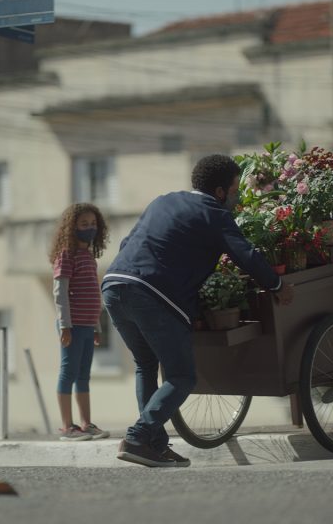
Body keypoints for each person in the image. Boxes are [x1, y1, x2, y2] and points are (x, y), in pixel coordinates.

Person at [102, 154, 295, 468]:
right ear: (220, 192)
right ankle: (138, 436)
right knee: (181, 376)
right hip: (152, 292)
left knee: (146, 365)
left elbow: (129, 242)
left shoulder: (163, 201)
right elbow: (245, 254)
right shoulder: (215, 213)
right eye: (235, 189)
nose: (237, 196)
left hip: (114, 284)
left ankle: (153, 444)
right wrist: (276, 285)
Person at [49, 202, 111, 441]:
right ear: (71, 227)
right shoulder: (66, 254)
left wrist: (96, 326)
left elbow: (92, 294)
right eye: (84, 224)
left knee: (84, 375)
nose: (89, 228)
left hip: (87, 326)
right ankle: (67, 427)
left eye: (93, 224)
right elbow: (60, 292)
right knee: (68, 373)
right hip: (72, 327)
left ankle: (86, 424)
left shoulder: (88, 256)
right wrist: (65, 325)